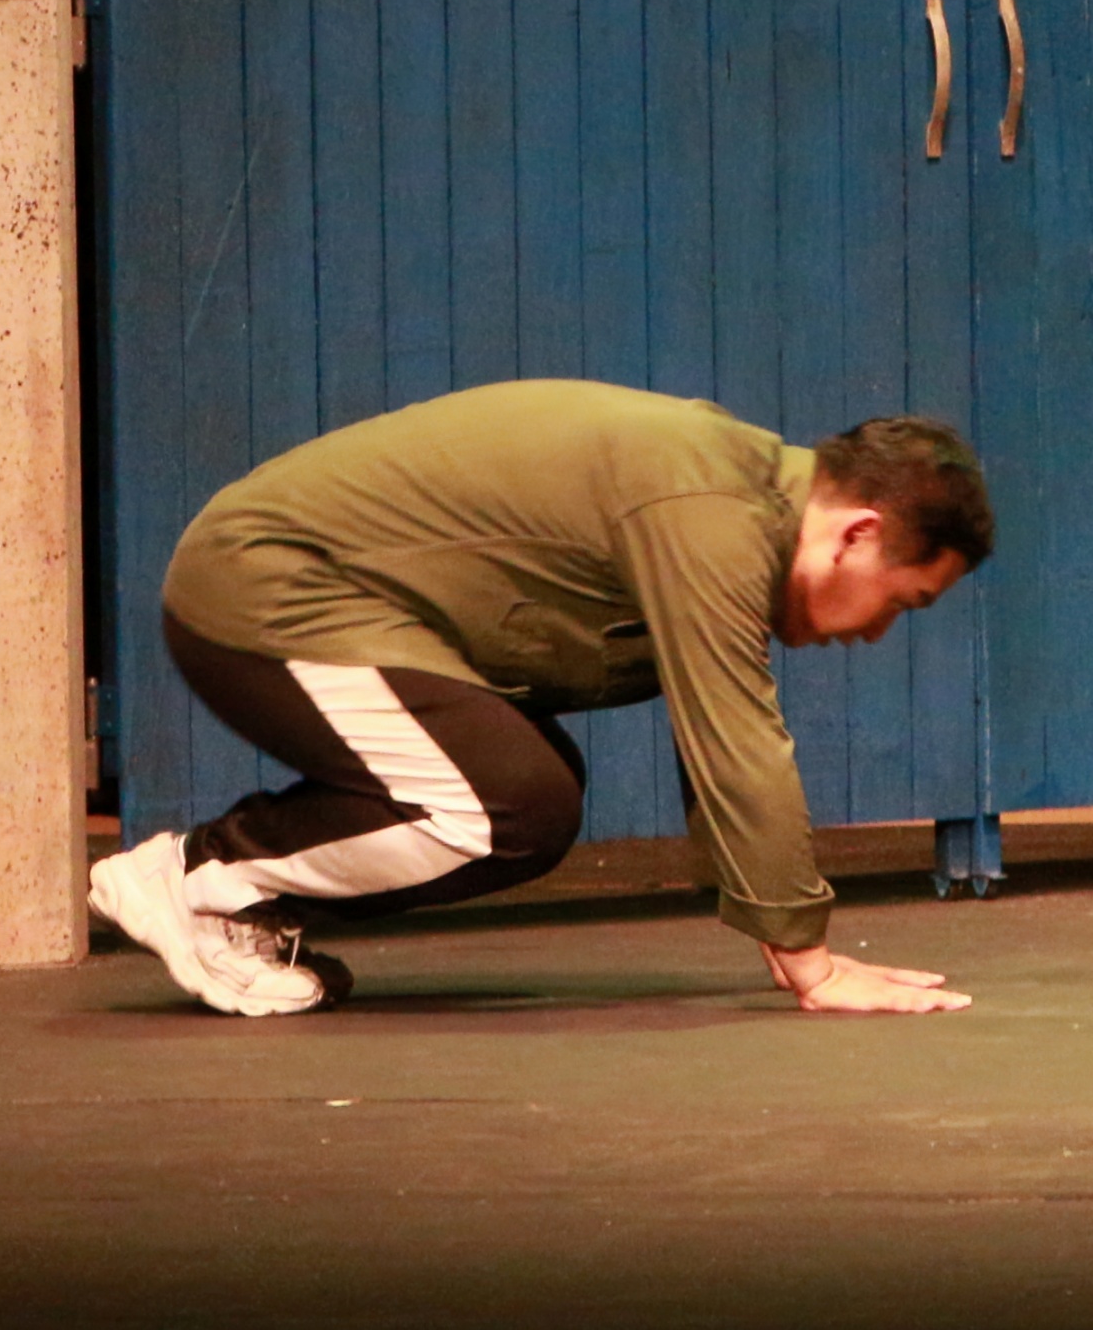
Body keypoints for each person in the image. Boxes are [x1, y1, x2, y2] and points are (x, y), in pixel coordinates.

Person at [87, 380, 989, 1017]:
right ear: (858, 532)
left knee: (531, 782)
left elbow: (714, 737)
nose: (880, 631)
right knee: (506, 801)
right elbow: (735, 737)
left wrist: (782, 927)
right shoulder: (712, 507)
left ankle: (229, 897)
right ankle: (198, 880)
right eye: (901, 601)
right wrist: (813, 964)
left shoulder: (734, 497)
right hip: (261, 589)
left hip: (319, 596)